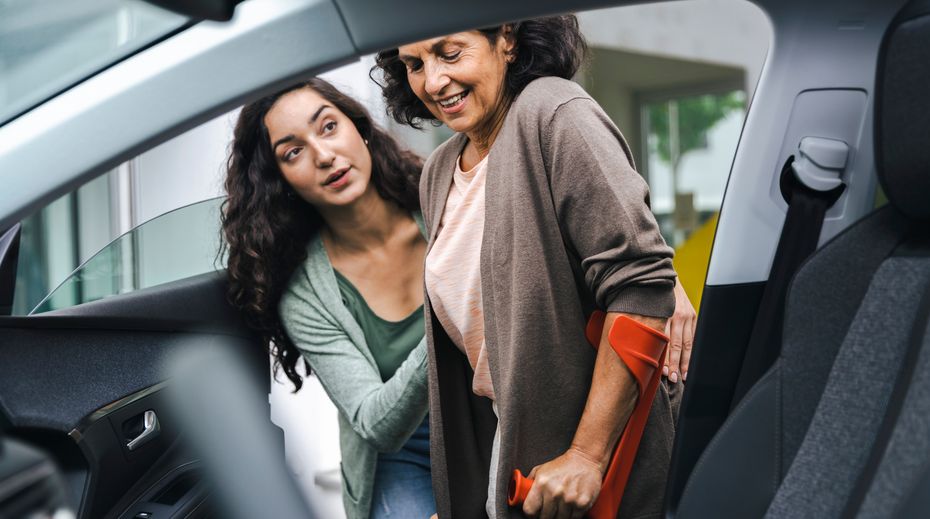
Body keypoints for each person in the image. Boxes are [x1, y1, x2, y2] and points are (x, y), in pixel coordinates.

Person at [374, 15, 694, 519]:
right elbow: (487, 362)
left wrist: (587, 456)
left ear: (505, 37)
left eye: (450, 53)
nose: (432, 81)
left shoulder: (555, 112)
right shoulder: (439, 171)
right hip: (520, 455)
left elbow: (640, 286)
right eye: (414, 64)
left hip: (604, 459)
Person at [221, 77, 435, 519]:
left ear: (359, 127)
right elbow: (378, 424)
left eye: (328, 127)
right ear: (278, 179)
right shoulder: (303, 294)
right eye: (292, 152)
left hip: (496, 415)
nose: (323, 156)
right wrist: (456, 318)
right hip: (402, 454)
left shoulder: (442, 201)